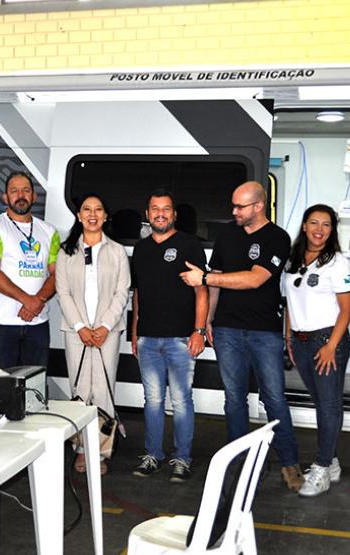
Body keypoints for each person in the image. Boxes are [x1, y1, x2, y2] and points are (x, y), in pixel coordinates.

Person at [180, 180, 304, 492]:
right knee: (234, 399)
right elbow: (219, 283)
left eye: (240, 206)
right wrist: (207, 320)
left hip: (265, 332)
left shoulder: (277, 238)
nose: (234, 211)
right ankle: (240, 460)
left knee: (274, 399)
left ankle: (289, 462)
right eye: (233, 205)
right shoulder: (227, 235)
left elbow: (255, 279)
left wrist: (205, 277)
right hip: (227, 331)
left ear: (259, 206)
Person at [131, 189, 207, 483]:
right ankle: (153, 455)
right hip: (148, 339)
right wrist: (136, 331)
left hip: (180, 339)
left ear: (174, 214)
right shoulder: (141, 249)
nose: (160, 213)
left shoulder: (190, 245)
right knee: (152, 401)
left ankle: (182, 459)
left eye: (165, 209)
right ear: (148, 214)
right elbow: (138, 292)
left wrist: (199, 331)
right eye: (154, 209)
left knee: (181, 401)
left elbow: (202, 290)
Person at [56, 193, 130, 475]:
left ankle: (99, 452)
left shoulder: (117, 251)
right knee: (80, 391)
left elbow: (122, 293)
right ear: (78, 216)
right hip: (77, 333)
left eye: (98, 209)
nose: (92, 214)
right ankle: (80, 450)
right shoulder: (66, 251)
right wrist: (80, 327)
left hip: (106, 333)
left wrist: (103, 327)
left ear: (105, 216)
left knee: (102, 390)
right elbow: (63, 293)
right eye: (87, 209)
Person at [283, 204, 350, 497]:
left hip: (327, 341)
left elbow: (347, 309)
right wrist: (288, 337)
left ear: (332, 230)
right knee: (321, 403)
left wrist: (331, 346)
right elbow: (289, 301)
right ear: (304, 226)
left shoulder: (337, 261)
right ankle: (332, 461)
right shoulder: (293, 260)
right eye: (314, 223)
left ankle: (323, 467)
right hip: (299, 342)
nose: (319, 229)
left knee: (328, 405)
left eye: (326, 225)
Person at [0, 171, 60, 369]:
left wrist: (38, 301)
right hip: (1, 325)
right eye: (14, 191)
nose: (20, 195)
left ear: (34, 196)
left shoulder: (49, 231)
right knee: (2, 390)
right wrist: (28, 300)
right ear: (6, 197)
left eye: (26, 190)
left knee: (34, 388)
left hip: (37, 324)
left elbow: (57, 274)